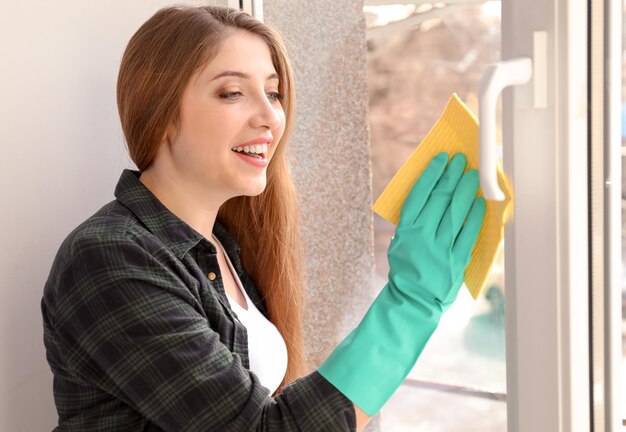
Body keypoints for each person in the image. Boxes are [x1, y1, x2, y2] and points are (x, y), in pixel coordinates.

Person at [41, 5, 486, 431]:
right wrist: (409, 307)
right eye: (232, 92)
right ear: (161, 115)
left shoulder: (221, 248)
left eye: (272, 92)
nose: (270, 116)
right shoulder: (110, 259)